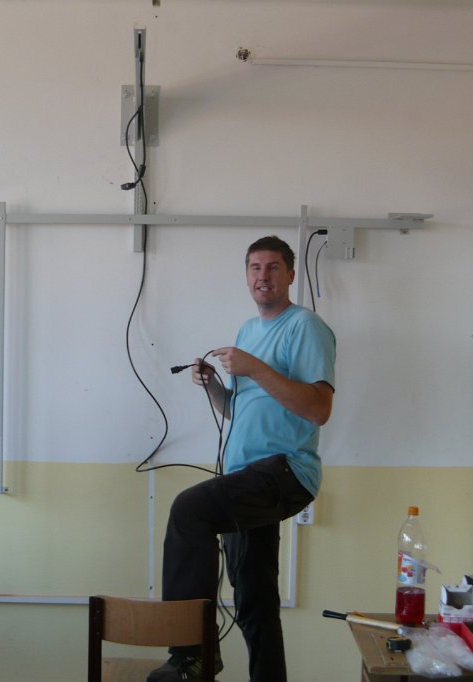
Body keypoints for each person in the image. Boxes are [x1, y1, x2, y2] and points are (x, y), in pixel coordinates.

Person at [149, 235, 336, 682]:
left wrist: (255, 368)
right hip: (246, 475)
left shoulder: (305, 326)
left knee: (188, 509)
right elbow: (240, 409)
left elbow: (318, 409)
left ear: (291, 275)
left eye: (273, 267)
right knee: (254, 603)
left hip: (284, 471)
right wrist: (215, 386)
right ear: (246, 276)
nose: (263, 276)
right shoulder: (249, 331)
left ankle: (191, 654)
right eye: (255, 267)